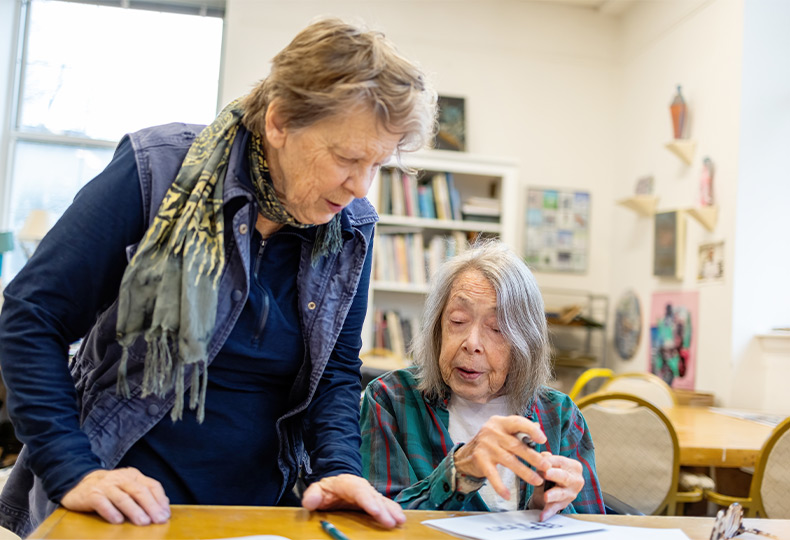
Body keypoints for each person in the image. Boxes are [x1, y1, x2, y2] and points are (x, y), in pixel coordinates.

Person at [0, 18, 436, 537]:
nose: (361, 186)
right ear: (279, 121)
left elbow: (335, 373)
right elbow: (31, 317)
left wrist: (339, 468)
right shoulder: (156, 171)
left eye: (378, 164)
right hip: (120, 498)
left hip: (261, 511)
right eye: (347, 158)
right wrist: (73, 469)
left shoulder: (350, 226)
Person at [360, 241, 604, 519]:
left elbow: (593, 524)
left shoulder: (560, 415)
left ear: (525, 343)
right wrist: (460, 472)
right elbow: (374, 521)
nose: (472, 343)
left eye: (496, 328)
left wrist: (544, 507)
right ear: (438, 328)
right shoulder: (391, 399)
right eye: (458, 321)